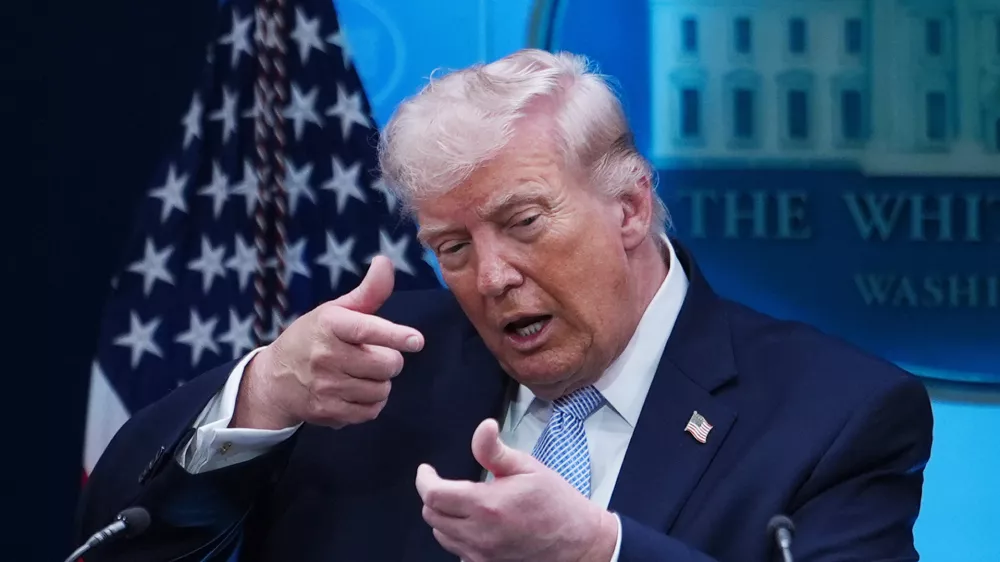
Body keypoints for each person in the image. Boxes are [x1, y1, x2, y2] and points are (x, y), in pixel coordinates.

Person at [75, 48, 933, 562]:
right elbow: (120, 543)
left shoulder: (835, 416)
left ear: (629, 207)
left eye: (524, 224)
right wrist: (264, 392)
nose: (489, 278)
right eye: (452, 247)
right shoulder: (372, 372)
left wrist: (601, 553)